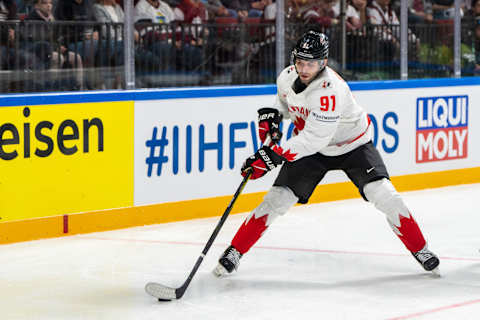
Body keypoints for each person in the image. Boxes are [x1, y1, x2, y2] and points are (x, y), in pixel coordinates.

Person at [213, 30, 440, 278]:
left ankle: (421, 249)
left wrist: (271, 156)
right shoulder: (286, 77)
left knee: (385, 195)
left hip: (353, 145)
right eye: (300, 61)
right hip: (313, 149)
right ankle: (235, 251)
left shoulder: (330, 90)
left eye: (310, 63)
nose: (304, 68)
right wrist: (274, 117)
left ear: (323, 63)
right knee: (276, 200)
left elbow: (314, 139)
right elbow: (285, 104)